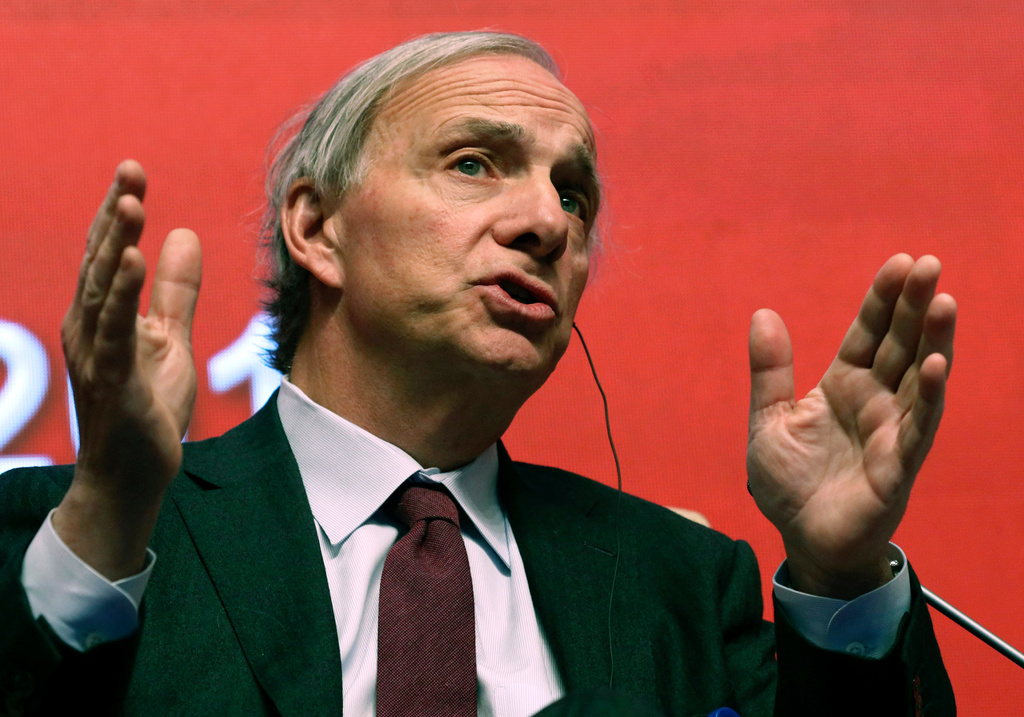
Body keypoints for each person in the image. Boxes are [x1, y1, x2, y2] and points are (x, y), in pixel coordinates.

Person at [0, 31, 956, 716]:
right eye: (473, 163)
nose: (548, 221)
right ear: (316, 227)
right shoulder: (88, 536)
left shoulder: (679, 582)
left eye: (571, 192)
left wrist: (838, 572)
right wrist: (114, 507)